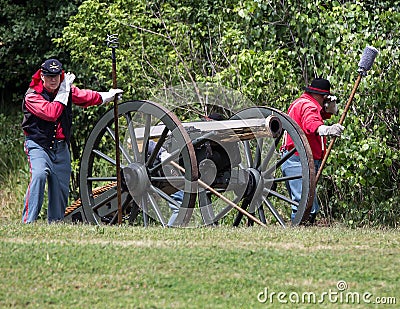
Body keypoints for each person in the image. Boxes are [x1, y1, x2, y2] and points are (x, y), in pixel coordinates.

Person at [21, 58, 123, 223]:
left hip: (61, 148)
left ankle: (55, 223)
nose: (53, 79)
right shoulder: (32, 96)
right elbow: (50, 113)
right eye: (49, 76)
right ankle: (28, 222)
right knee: (39, 175)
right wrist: (64, 90)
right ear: (42, 76)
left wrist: (108, 96)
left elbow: (85, 97)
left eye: (56, 76)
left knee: (61, 187)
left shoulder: (65, 90)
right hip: (39, 146)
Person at [281, 78, 344, 224]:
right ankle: (298, 233)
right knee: (303, 204)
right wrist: (328, 129)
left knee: (308, 203)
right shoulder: (309, 106)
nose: (325, 101)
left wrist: (329, 111)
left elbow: (317, 116)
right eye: (325, 98)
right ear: (320, 96)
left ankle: (304, 230)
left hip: (298, 159)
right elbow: (311, 123)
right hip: (297, 160)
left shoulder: (302, 103)